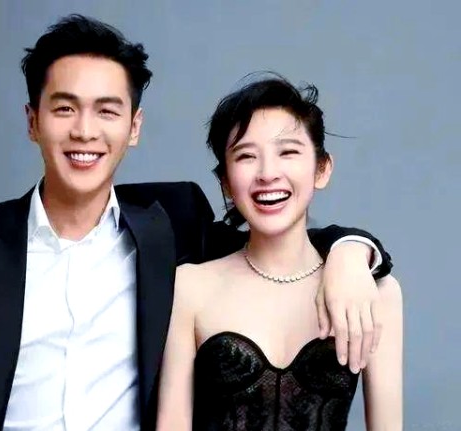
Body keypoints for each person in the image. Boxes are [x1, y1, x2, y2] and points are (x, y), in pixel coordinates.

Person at [0, 15, 394, 431]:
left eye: (107, 111)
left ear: (133, 127)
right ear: (33, 121)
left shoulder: (175, 220)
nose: (85, 131)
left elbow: (277, 234)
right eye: (65, 108)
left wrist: (351, 252)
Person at [156, 76, 403, 430]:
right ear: (226, 182)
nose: (268, 174)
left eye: (288, 152)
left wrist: (352, 253)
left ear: (322, 168)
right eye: (246, 156)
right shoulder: (190, 286)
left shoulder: (376, 291)